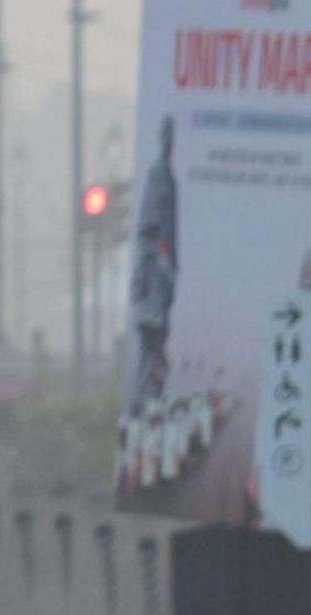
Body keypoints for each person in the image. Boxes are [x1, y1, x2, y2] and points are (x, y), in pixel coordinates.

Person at [129, 115, 179, 408]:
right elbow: (148, 228)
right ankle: (145, 399)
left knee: (158, 341)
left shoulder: (169, 176)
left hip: (164, 277)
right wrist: (160, 253)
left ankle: (154, 397)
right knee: (151, 345)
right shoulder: (157, 175)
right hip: (153, 282)